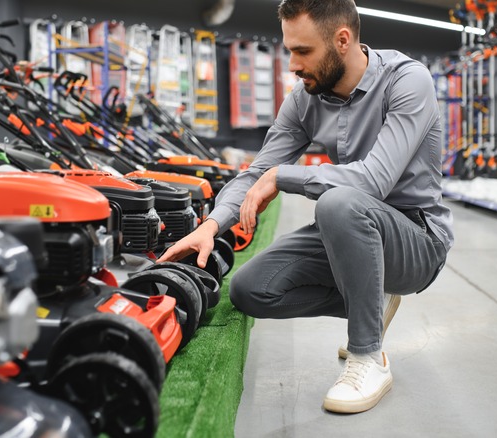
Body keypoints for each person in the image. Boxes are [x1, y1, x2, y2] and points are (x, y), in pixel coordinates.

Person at [158, 0, 453, 414]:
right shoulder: (304, 99)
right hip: (351, 226)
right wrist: (211, 225)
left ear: (342, 40)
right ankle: (374, 297)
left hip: (416, 240)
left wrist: (284, 177)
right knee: (251, 290)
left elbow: (372, 181)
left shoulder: (407, 81)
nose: (292, 64)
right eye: (289, 50)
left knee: (338, 203)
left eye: (303, 51)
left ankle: (368, 357)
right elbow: (256, 171)